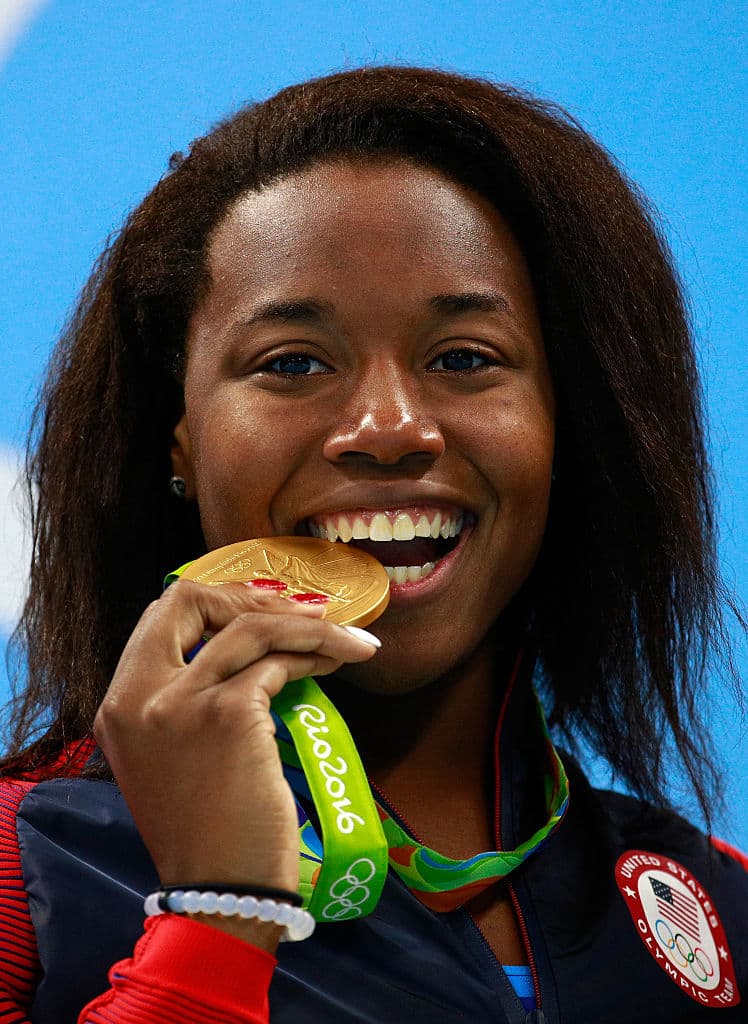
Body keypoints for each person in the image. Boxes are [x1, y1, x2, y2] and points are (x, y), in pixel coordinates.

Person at [0, 65, 746, 1023]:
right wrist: (220, 919)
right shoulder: (25, 864)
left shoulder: (716, 904)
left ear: (567, 426)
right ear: (178, 437)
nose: (389, 427)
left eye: (465, 358)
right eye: (293, 363)